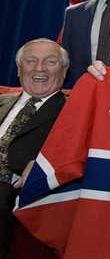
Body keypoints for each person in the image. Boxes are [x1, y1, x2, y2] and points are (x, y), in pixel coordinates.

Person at [0, 38, 68, 257]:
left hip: (14, 191)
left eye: (50, 62)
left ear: (64, 70)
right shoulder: (3, 100)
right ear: (19, 69)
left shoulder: (74, 111)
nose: (40, 68)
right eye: (31, 61)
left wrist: (46, 162)